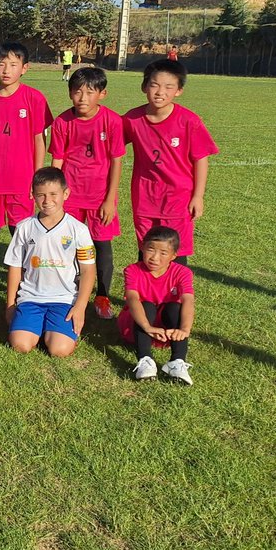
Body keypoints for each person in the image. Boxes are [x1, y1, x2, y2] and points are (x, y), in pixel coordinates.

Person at [0, 42, 53, 295]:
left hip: (22, 182)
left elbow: (39, 139)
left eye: (13, 64)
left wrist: (36, 179)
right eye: (1, 64)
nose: (6, 70)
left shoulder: (34, 98)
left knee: (22, 233)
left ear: (24, 68)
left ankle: (26, 281)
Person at [122, 58, 219, 263]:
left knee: (176, 249)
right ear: (144, 87)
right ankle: (146, 294)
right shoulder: (132, 119)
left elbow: (201, 159)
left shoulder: (188, 121)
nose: (160, 92)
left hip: (179, 197)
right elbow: (111, 144)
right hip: (144, 197)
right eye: (154, 85)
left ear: (179, 91)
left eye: (168, 87)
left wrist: (198, 196)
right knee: (147, 248)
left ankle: (177, 294)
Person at [48, 66, 125, 320]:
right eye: (77, 91)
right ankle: (67, 292)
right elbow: (57, 161)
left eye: (90, 92)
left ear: (102, 94)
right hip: (70, 197)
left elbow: (116, 162)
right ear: (70, 93)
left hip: (99, 198)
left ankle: (102, 296)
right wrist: (53, 195)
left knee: (102, 245)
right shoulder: (62, 122)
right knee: (67, 246)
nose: (82, 97)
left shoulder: (112, 121)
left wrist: (110, 200)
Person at [4, 168, 96, 358]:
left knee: (59, 350)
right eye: (41, 195)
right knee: (20, 345)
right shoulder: (24, 227)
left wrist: (80, 307)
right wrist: (10, 304)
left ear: (66, 194)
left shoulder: (78, 229)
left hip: (64, 299)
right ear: (33, 195)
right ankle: (37, 325)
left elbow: (88, 271)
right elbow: (15, 267)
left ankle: (49, 328)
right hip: (31, 297)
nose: (47, 201)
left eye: (53, 194)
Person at [120, 226, 196, 385]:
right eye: (150, 250)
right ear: (142, 248)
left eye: (163, 253)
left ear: (174, 256)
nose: (155, 257)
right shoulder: (132, 270)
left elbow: (188, 300)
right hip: (139, 324)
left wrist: (185, 330)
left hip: (165, 330)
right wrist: (147, 327)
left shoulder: (183, 272)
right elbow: (132, 299)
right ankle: (145, 360)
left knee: (175, 307)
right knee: (146, 304)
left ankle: (177, 362)